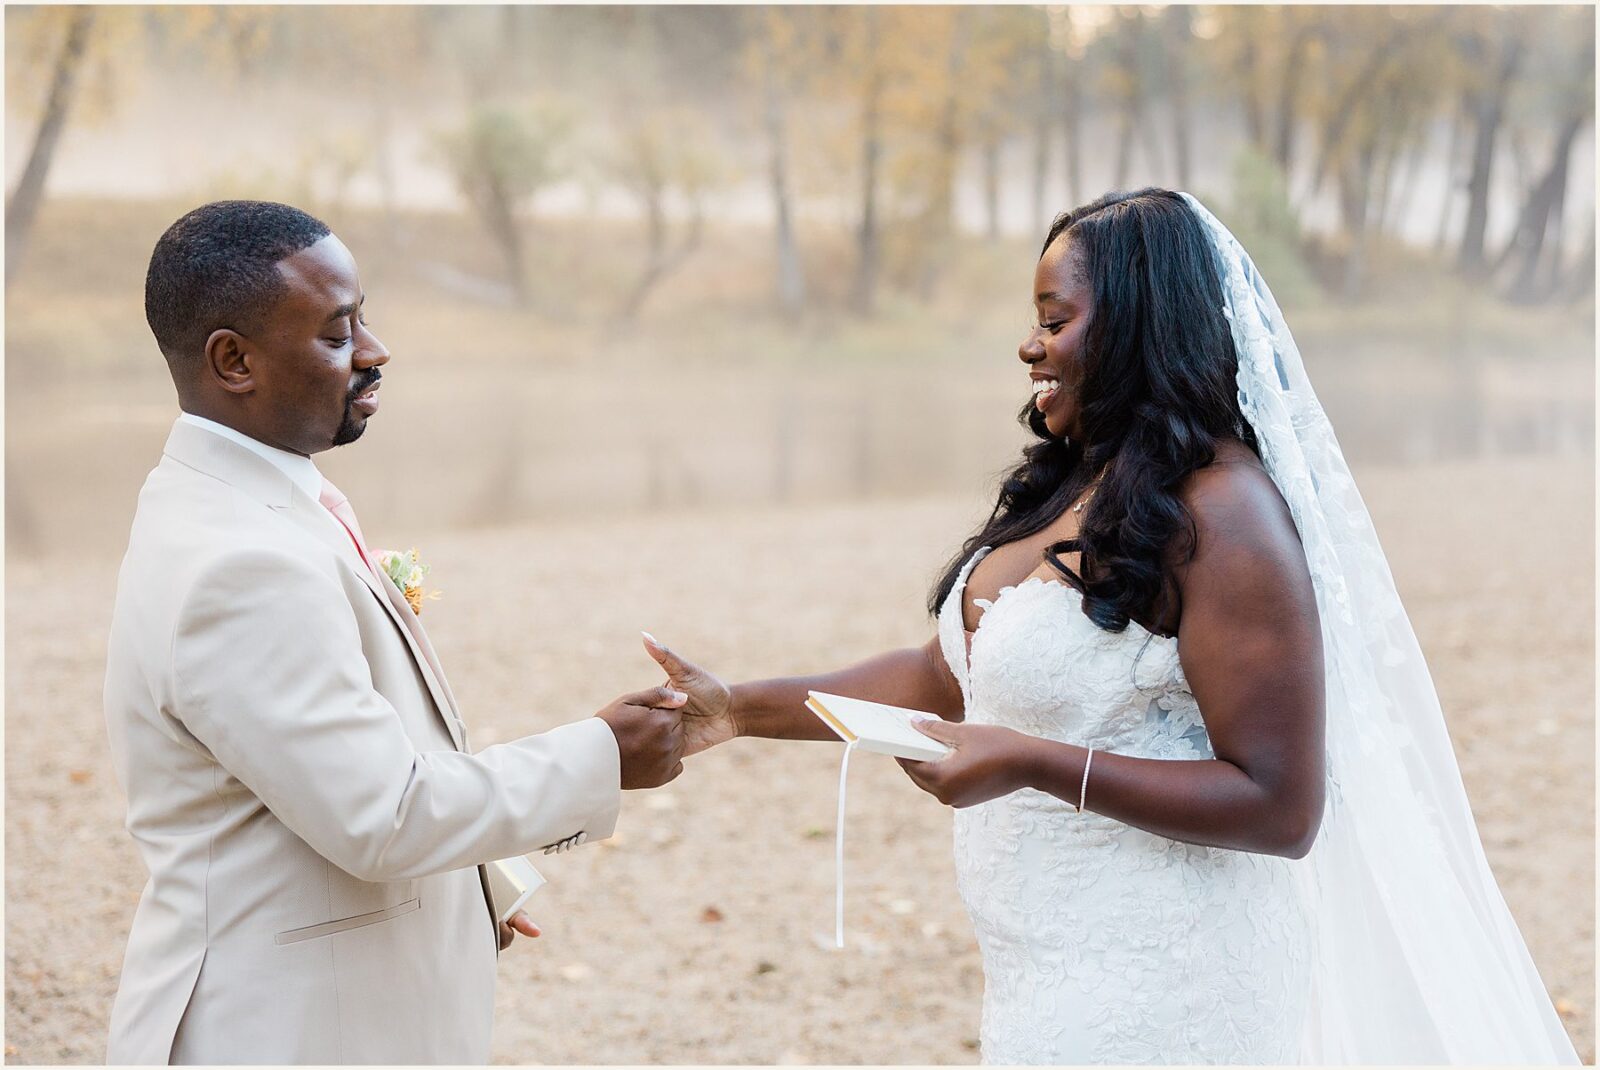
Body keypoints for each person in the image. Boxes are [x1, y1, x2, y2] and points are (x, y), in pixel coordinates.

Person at [643, 189, 1581, 1063]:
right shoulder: (1073, 482)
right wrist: (735, 712)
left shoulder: (1226, 515)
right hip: (1040, 971)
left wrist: (1031, 761)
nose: (1029, 347)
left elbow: (1281, 806)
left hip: (1173, 987)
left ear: (1138, 323)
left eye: (1055, 321)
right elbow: (949, 673)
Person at [104, 200, 688, 1064]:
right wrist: (604, 756)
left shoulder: (251, 496)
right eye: (339, 334)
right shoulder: (240, 561)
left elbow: (313, 779)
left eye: (363, 318)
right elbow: (383, 814)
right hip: (281, 1034)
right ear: (235, 360)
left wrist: (477, 884)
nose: (375, 352)